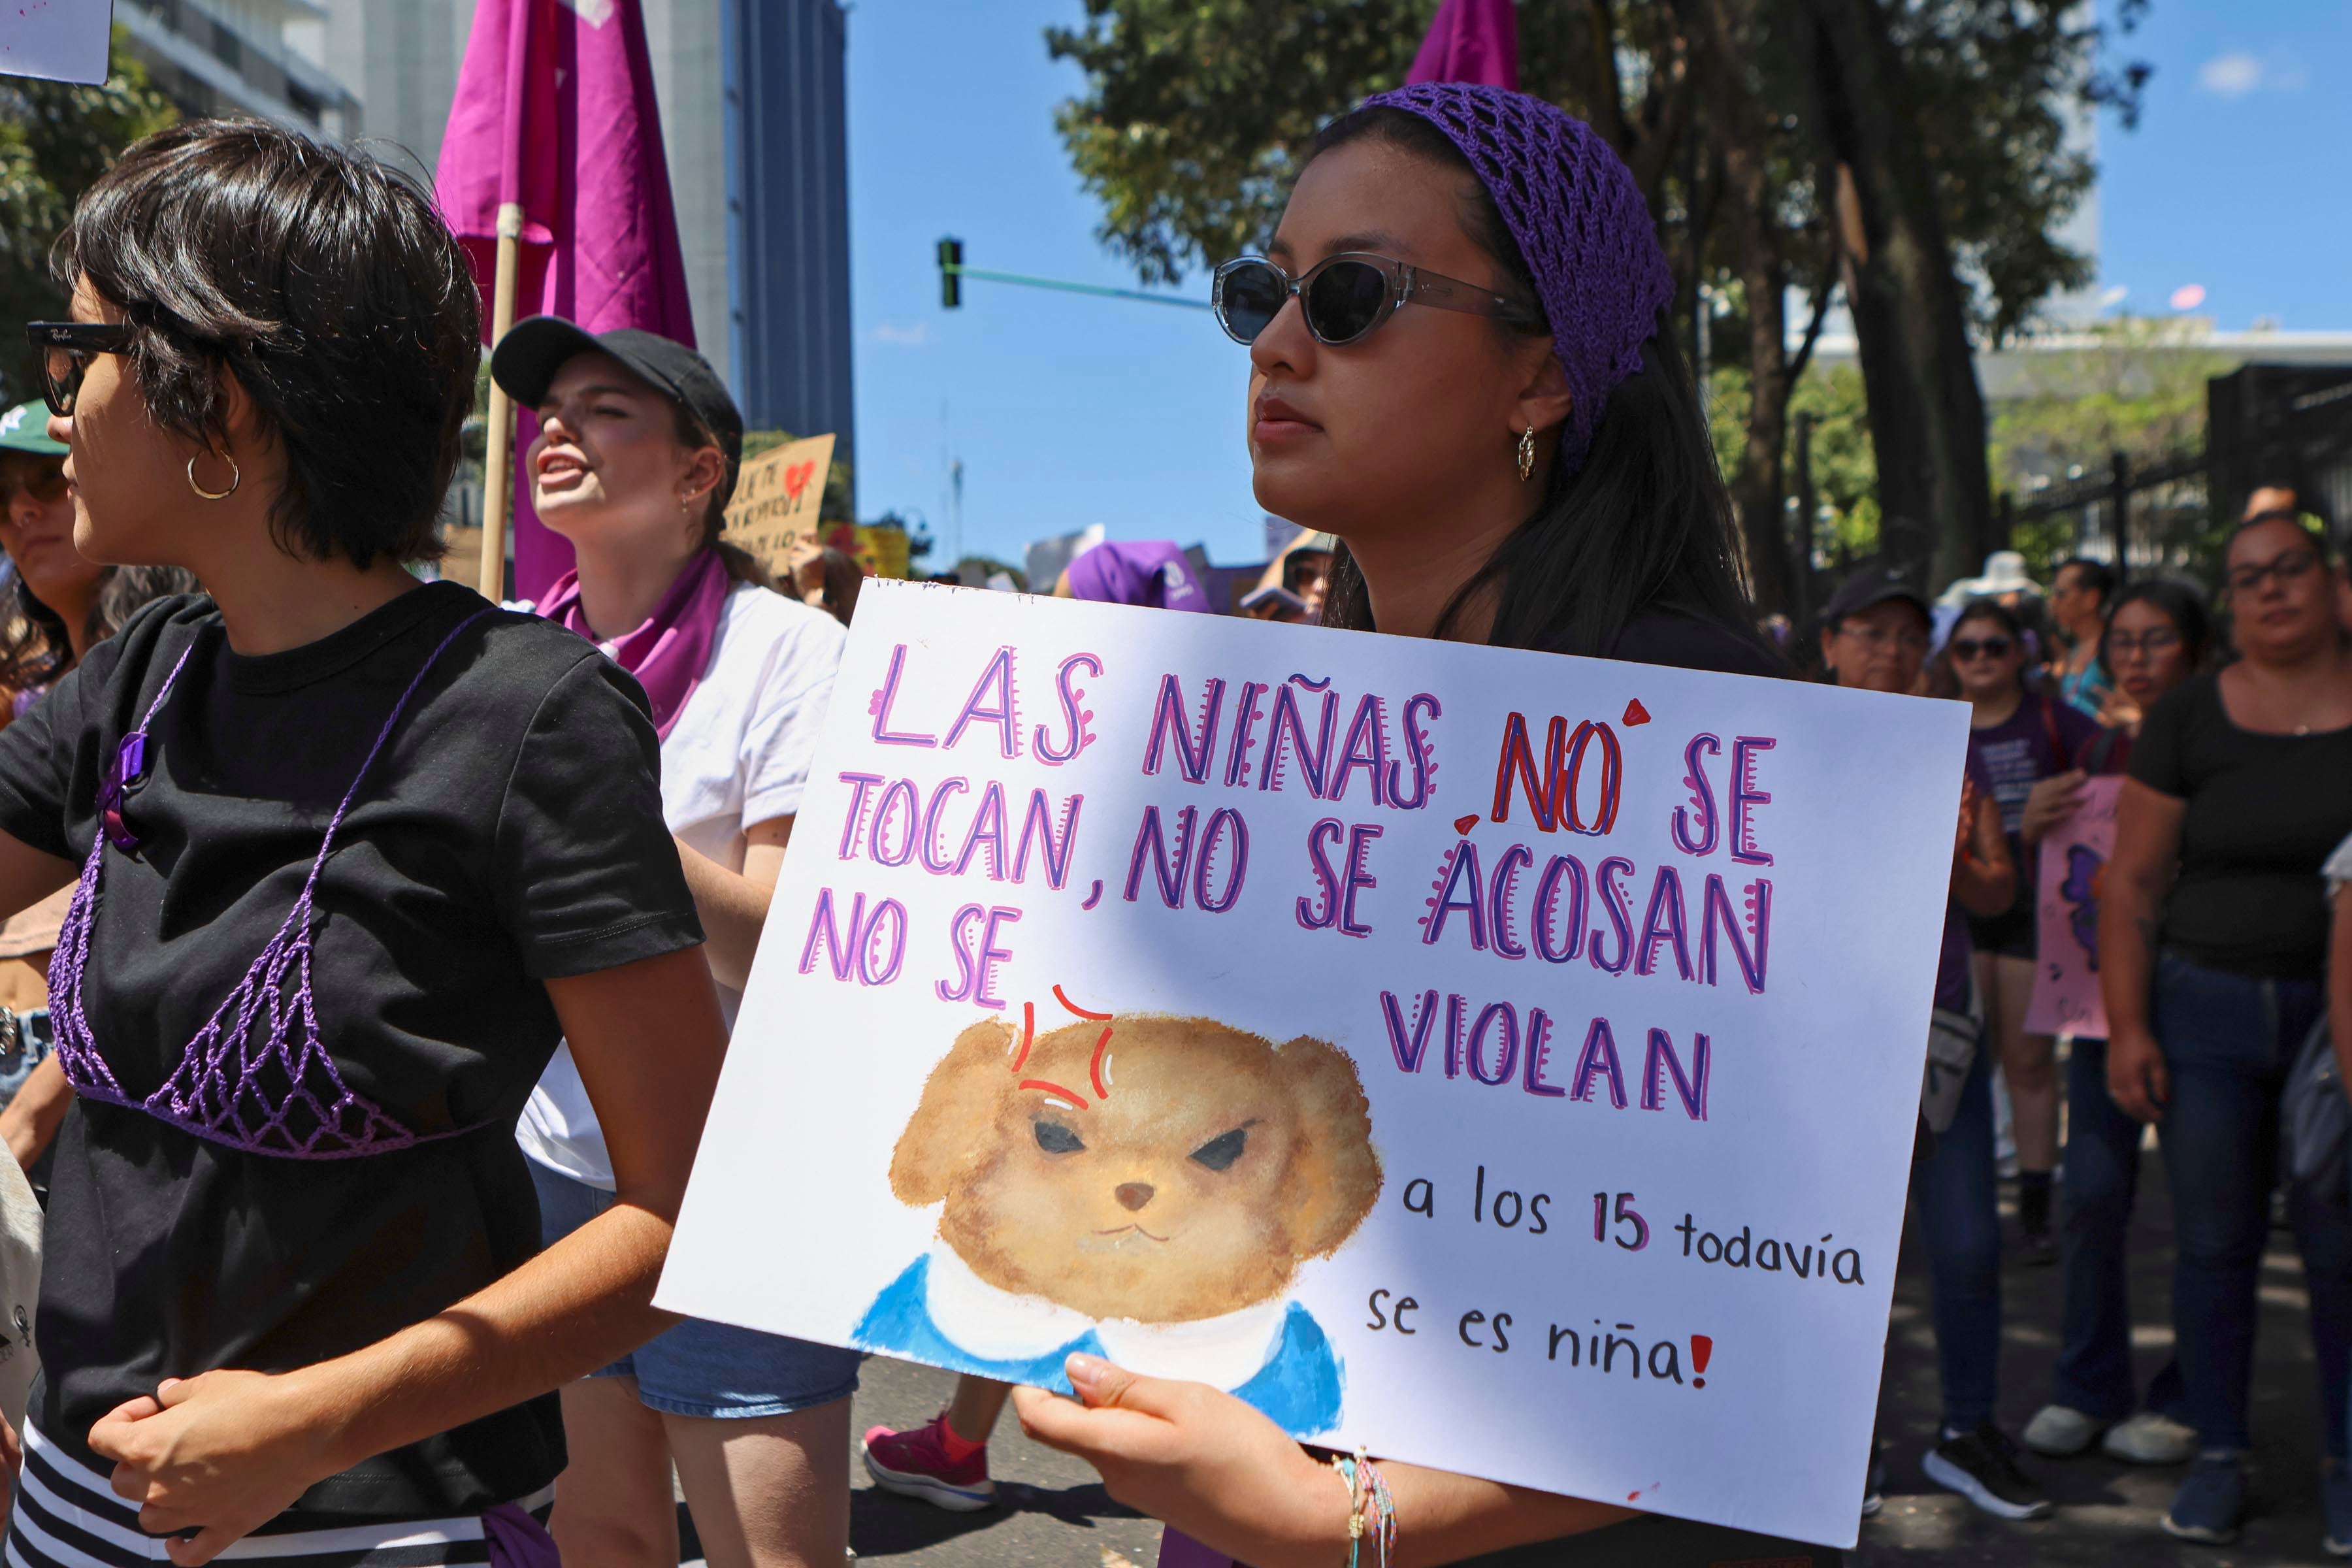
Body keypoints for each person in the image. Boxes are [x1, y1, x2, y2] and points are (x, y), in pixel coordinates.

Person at [1007, 82, 1802, 1566]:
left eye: (1352, 294)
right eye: (1265, 288)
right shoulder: (1275, 751)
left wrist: (1345, 1518)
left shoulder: (1692, 732)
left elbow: (1769, 1332)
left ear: (1542, 378)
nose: (1277, 342)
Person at [0, 119, 729, 1567]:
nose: (54, 404)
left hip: (376, 1531)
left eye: (73, 351)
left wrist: (323, 1418)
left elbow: (684, 1207)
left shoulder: (526, 718)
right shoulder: (147, 669)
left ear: (216, 400)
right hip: (67, 1507)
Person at [489, 317, 860, 1568]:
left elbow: (785, 941)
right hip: (560, 1173)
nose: (555, 428)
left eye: (605, 410)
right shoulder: (500, 652)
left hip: (744, 1182)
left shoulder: (793, 653)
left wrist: (600, 811)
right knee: (600, 1531)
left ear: (700, 473)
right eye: (549, 410)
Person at [2102, 510, 2352, 1549]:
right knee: (2212, 1243)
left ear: (2331, 581)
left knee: (2341, 1248)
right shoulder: (2193, 715)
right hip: (2202, 1013)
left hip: (2336, 1026)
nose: (2270, 591)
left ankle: (2347, 1462)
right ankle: (2217, 1451)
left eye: (2289, 568)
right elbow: (2132, 881)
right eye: (2247, 578)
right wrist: (2126, 1028)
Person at [1817, 563, 2042, 1522]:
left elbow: (2000, 894)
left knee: (1964, 1248)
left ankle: (1966, 1432)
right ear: (1828, 645)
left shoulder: (1948, 748)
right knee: (1833, 1262)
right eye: (1871, 633)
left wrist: (1953, 856)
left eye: (1911, 638)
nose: (1894, 653)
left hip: (1944, 1039)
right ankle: (1831, 1450)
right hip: (1828, 1047)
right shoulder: (1789, 739)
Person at [2019, 578, 2210, 1467]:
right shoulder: (2090, 749)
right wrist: (2040, 823)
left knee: (2213, 1213)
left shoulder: (2228, 742)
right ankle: (2088, 1385)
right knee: (2094, 1194)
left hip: (2205, 1002)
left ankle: (2192, 1398)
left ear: (2197, 652)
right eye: (2122, 641)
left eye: (2157, 640)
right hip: (2101, 1008)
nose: (2134, 658)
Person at [1947, 597, 2100, 1262]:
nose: (1981, 658)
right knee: (1955, 1069)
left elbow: (2114, 778)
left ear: (2020, 654)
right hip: (1956, 913)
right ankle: (1964, 1211)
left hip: (2037, 913)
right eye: (1967, 648)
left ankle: (2036, 1212)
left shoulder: (2055, 720)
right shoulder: (1935, 723)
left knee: (2029, 1064)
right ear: (1950, 660)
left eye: (1994, 646)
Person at [2046, 557, 2115, 719]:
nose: (2053, 602)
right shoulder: (2072, 650)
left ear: (2091, 599)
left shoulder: (2116, 649)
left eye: (2061, 594)